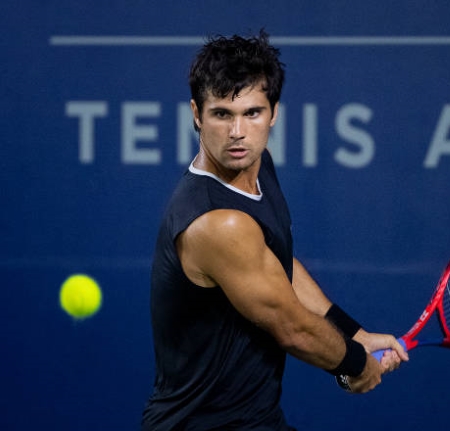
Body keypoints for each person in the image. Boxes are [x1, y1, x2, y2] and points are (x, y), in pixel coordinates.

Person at [141, 30, 408, 431]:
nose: (237, 132)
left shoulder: (257, 164)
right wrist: (355, 364)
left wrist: (356, 334)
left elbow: (275, 265)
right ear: (196, 114)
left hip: (254, 421)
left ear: (274, 113)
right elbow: (292, 326)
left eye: (252, 113)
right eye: (221, 114)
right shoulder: (218, 223)